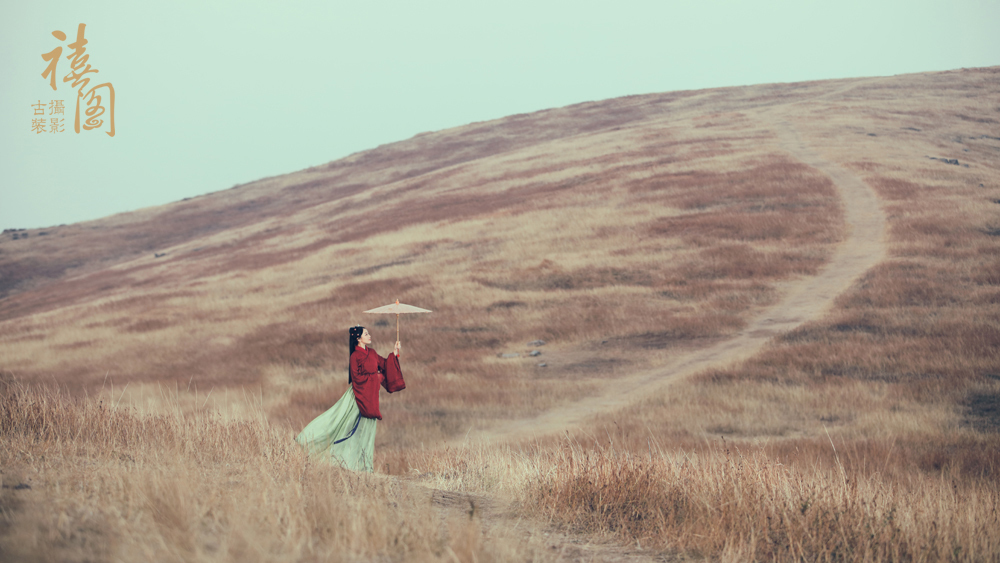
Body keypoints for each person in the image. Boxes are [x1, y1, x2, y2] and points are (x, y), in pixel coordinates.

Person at [295, 325, 404, 472]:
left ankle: (362, 465)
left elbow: (384, 365)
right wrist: (375, 377)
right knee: (340, 425)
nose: (369, 335)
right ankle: (311, 445)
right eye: (366, 334)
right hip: (357, 398)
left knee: (365, 430)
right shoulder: (355, 356)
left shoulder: (372, 353)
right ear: (358, 338)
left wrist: (395, 352)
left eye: (368, 333)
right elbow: (357, 378)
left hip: (370, 398)